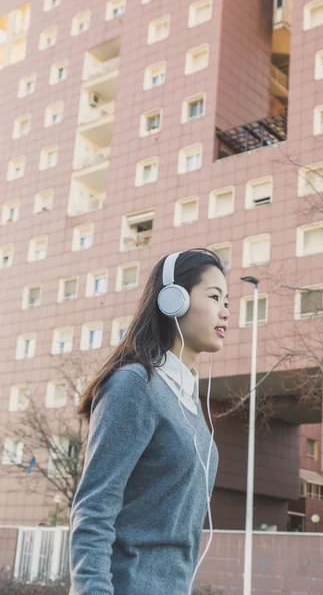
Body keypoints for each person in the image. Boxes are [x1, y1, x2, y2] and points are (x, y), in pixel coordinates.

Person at [69, 248, 230, 595]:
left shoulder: (188, 400)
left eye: (227, 301)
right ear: (174, 300)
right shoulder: (134, 385)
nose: (226, 312)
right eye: (215, 297)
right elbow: (93, 511)